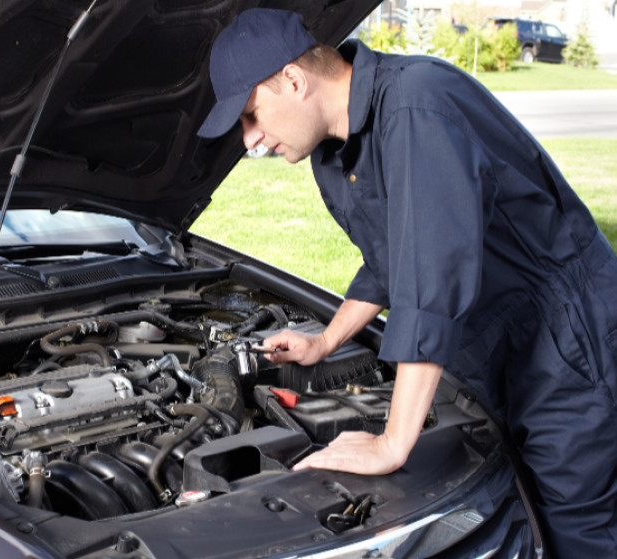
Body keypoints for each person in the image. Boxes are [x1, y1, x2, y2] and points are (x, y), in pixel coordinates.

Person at [197, 8, 617, 558]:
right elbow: (390, 258)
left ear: (294, 81)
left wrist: (393, 443)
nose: (250, 141)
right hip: (487, 344)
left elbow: (429, 277)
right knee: (519, 507)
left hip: (562, 342)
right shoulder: (334, 151)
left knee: (575, 527)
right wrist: (327, 341)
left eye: (252, 116)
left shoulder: (419, 106)